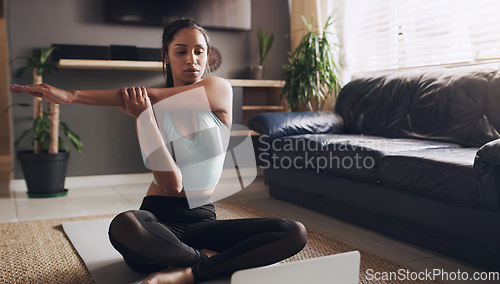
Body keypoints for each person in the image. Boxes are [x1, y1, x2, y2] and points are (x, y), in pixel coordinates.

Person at [10, 18, 307, 284]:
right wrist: (143, 118)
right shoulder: (148, 112)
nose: (192, 59)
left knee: (293, 231)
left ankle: (190, 270)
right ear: (165, 55)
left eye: (199, 51)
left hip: (203, 221)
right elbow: (171, 183)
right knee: (125, 224)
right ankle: (206, 261)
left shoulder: (219, 90)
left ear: (207, 56)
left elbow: (142, 95)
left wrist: (71, 95)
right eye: (181, 51)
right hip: (156, 226)